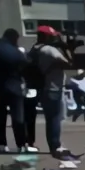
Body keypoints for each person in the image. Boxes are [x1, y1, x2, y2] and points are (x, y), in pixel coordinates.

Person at [27, 26, 72, 155]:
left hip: (41, 87)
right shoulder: (50, 50)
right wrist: (65, 47)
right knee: (54, 118)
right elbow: (69, 63)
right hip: (52, 88)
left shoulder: (35, 49)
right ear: (46, 36)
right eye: (53, 36)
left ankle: (53, 144)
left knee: (50, 117)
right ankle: (55, 145)